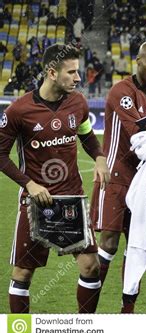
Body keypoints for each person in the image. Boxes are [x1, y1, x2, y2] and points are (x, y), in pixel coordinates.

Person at [0, 44, 110, 313]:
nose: (78, 78)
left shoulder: (78, 103)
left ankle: (85, 328)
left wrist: (98, 156)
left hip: (71, 198)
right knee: (23, 274)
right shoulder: (19, 110)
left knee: (90, 266)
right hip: (37, 203)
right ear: (52, 72)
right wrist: (29, 183)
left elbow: (86, 134)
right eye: (71, 72)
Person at [89, 41, 146, 313]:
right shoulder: (121, 90)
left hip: (141, 180)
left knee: (137, 245)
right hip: (115, 177)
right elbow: (140, 132)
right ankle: (88, 313)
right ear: (138, 61)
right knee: (107, 244)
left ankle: (127, 311)